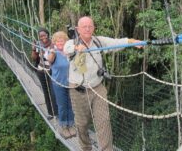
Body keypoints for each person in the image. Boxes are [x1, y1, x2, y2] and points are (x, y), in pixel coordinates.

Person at [64, 16, 141, 151]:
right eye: (84, 26)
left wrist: (132, 41)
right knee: (82, 124)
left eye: (90, 26)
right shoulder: (71, 43)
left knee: (103, 122)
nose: (87, 29)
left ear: (94, 28)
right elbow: (67, 49)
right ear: (78, 29)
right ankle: (85, 147)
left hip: (97, 87)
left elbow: (116, 43)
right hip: (78, 89)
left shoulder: (99, 41)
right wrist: (77, 48)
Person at [47, 31, 76, 139]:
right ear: (54, 42)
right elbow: (49, 60)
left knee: (71, 104)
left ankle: (71, 124)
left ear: (66, 42)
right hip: (58, 83)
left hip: (70, 83)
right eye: (57, 41)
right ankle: (64, 126)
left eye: (62, 41)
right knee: (62, 105)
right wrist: (52, 52)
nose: (60, 43)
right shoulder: (53, 52)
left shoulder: (69, 52)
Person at [31, 28, 58, 119]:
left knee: (53, 92)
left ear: (48, 35)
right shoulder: (38, 44)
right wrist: (34, 49)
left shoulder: (53, 44)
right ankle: (50, 113)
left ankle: (56, 113)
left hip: (51, 71)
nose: (43, 38)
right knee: (46, 92)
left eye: (44, 35)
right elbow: (34, 58)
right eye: (40, 36)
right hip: (41, 71)